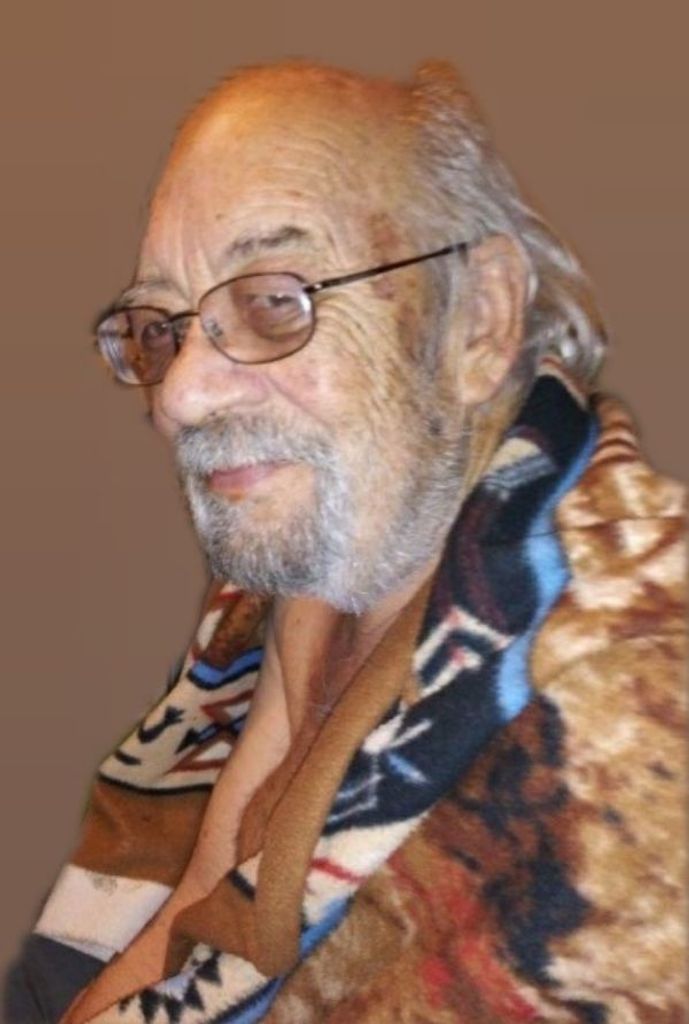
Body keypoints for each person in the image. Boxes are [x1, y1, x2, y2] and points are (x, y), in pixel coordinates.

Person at [4, 59, 685, 1024]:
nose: (179, 396)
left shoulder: (639, 716)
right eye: (162, 327)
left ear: (478, 319)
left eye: (274, 301)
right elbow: (199, 915)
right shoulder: (317, 567)